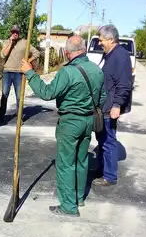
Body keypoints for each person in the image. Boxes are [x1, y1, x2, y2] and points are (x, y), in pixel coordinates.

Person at [20, 35, 105, 217]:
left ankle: (68, 207)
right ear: (84, 48)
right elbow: (103, 98)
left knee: (66, 164)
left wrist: (30, 74)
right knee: (82, 161)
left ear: (67, 52)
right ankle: (79, 198)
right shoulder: (96, 69)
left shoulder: (68, 72)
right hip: (88, 121)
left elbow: (47, 93)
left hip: (71, 122)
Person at [92, 25, 132, 186]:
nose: (99, 43)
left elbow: (124, 84)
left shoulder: (120, 56)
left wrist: (117, 105)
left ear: (111, 39)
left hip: (111, 107)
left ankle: (109, 176)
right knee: (102, 139)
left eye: (101, 40)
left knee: (108, 141)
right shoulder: (110, 54)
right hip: (105, 105)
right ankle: (103, 169)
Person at [0, 25, 40, 122]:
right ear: (10, 32)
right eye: (13, 32)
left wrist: (28, 61)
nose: (15, 34)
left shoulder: (25, 42)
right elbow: (3, 55)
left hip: (19, 73)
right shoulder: (6, 42)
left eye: (16, 32)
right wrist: (11, 42)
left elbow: (36, 53)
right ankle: (0, 116)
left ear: (19, 33)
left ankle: (19, 117)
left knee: (19, 96)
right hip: (7, 72)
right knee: (4, 94)